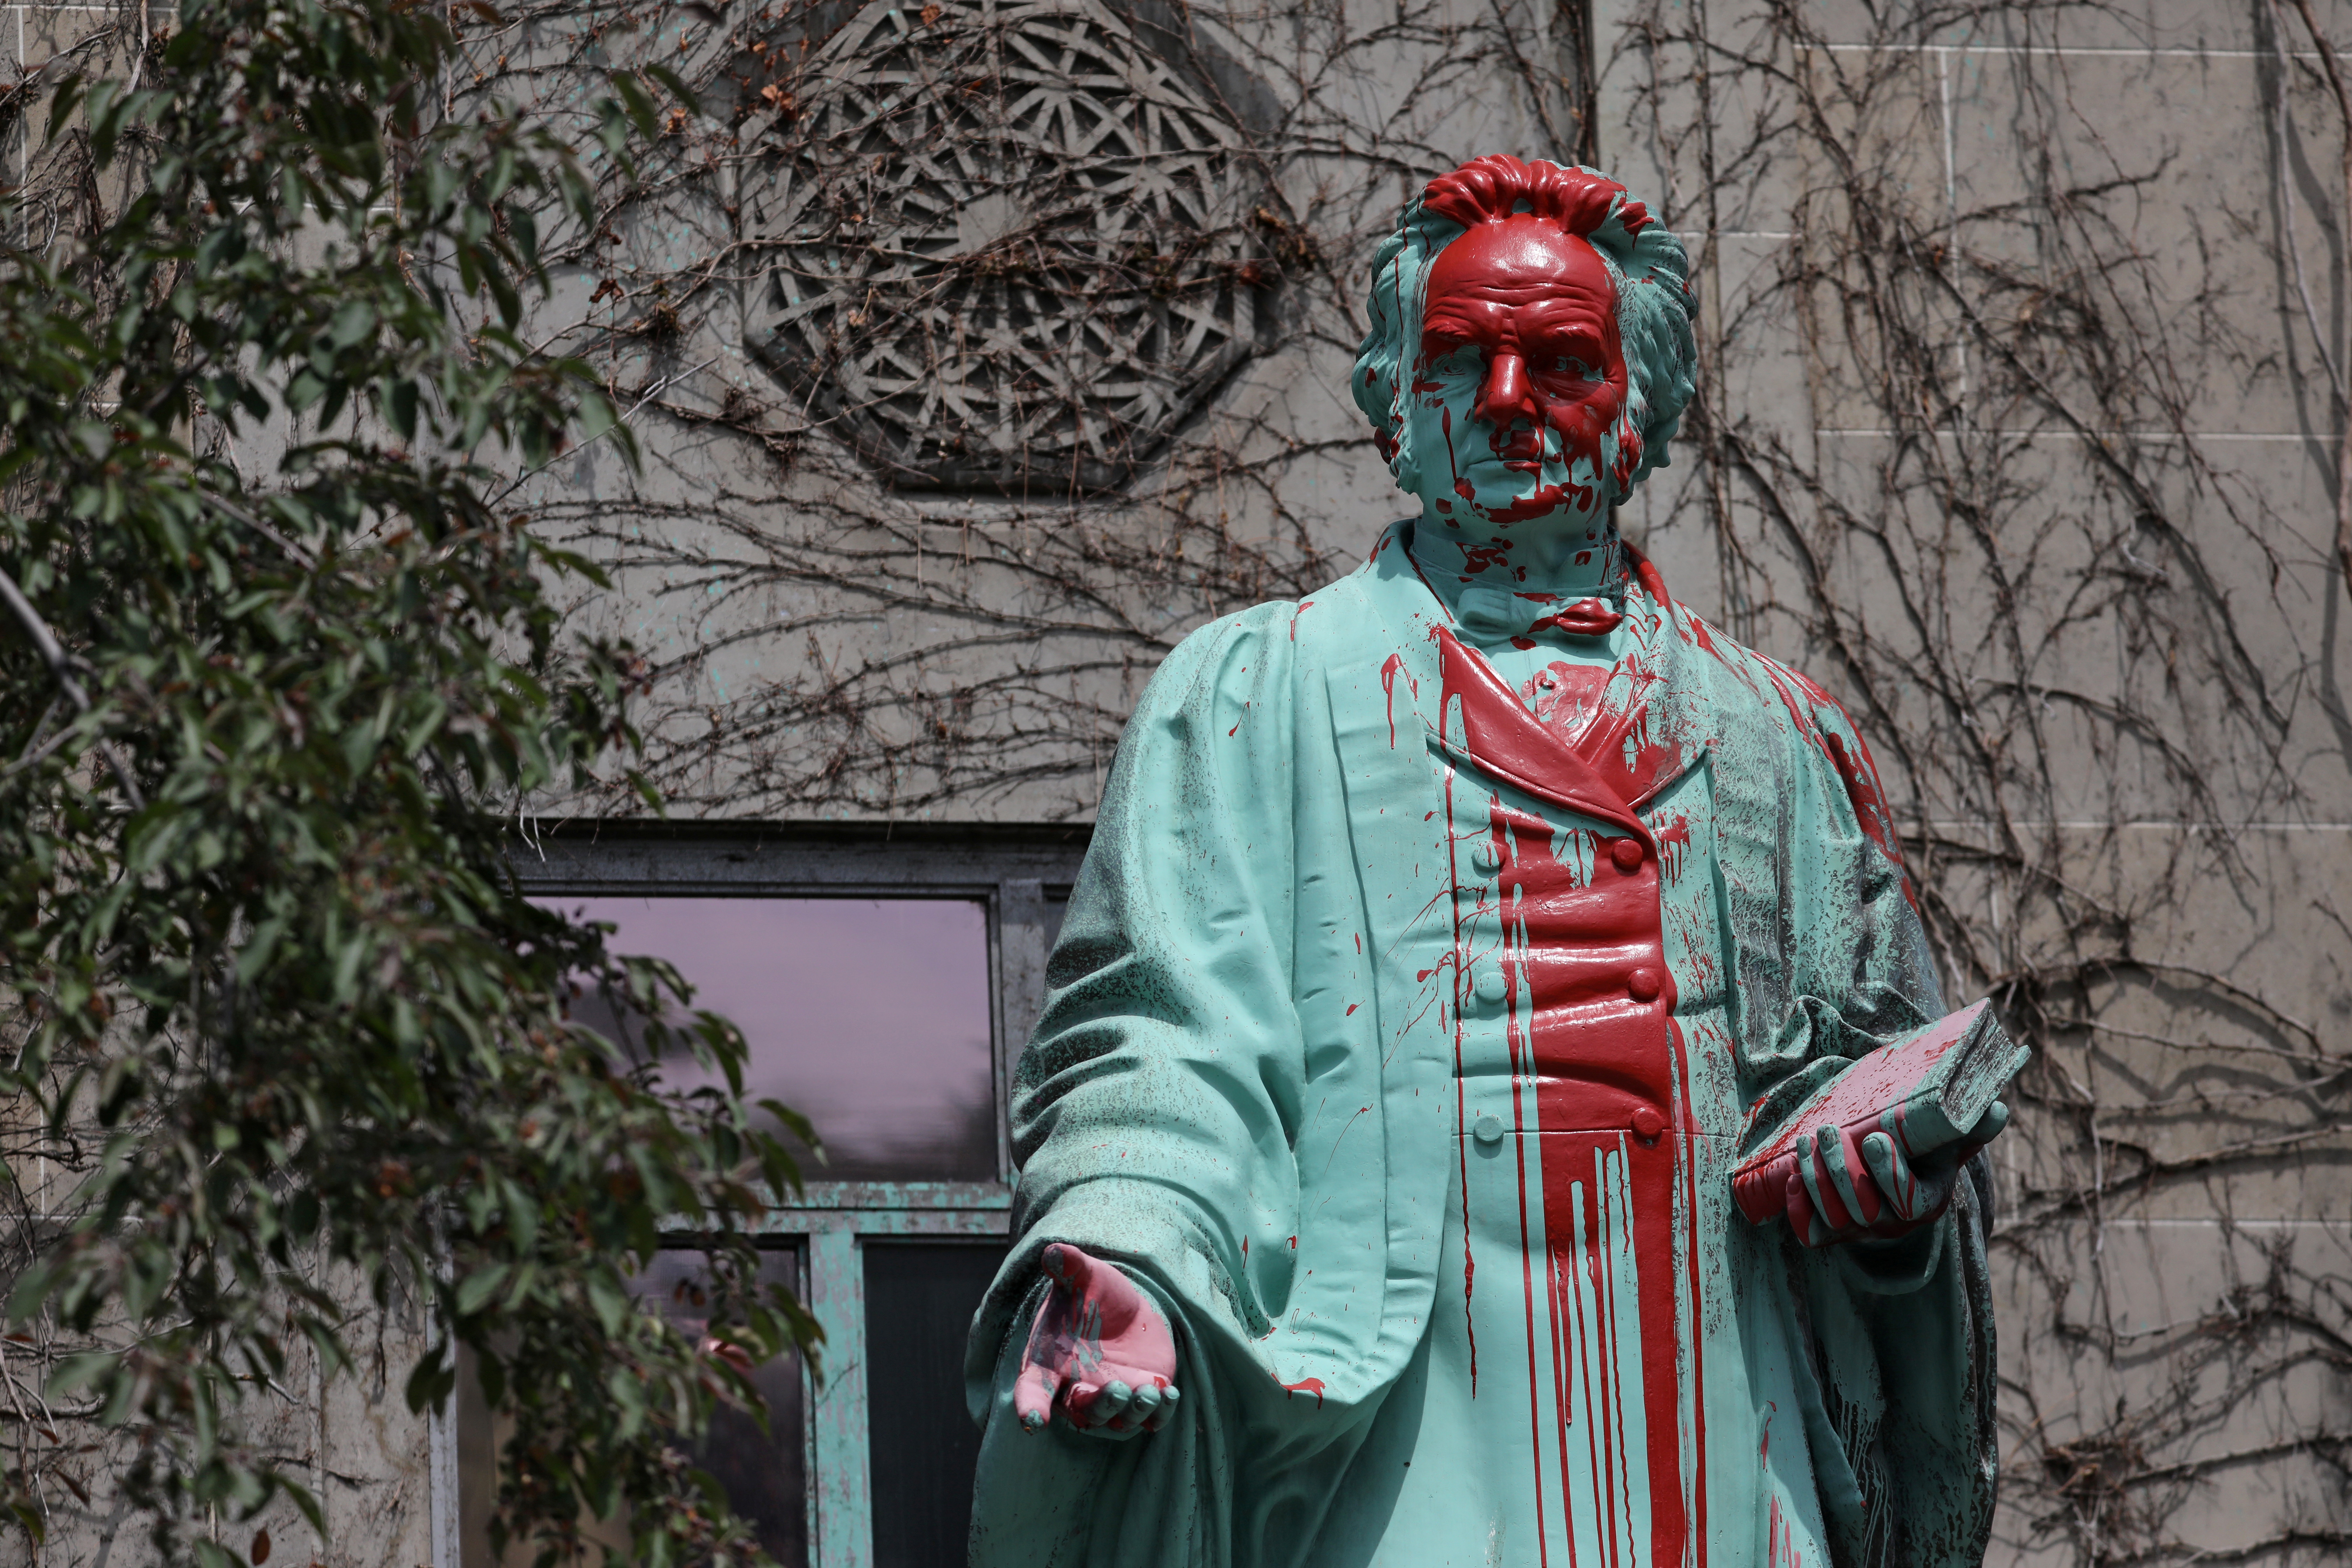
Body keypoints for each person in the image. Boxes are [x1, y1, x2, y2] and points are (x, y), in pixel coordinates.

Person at [964, 154, 2006, 1568]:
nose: (1507, 403)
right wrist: (1135, 1254)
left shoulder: (1779, 739)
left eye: (1562, 363)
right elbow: (1157, 1042)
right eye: (1460, 362)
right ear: (1396, 404)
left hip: (1713, 1402)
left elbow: (1880, 1088)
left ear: (1639, 410)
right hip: (1401, 1418)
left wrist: (1889, 1208)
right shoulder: (1255, 694)